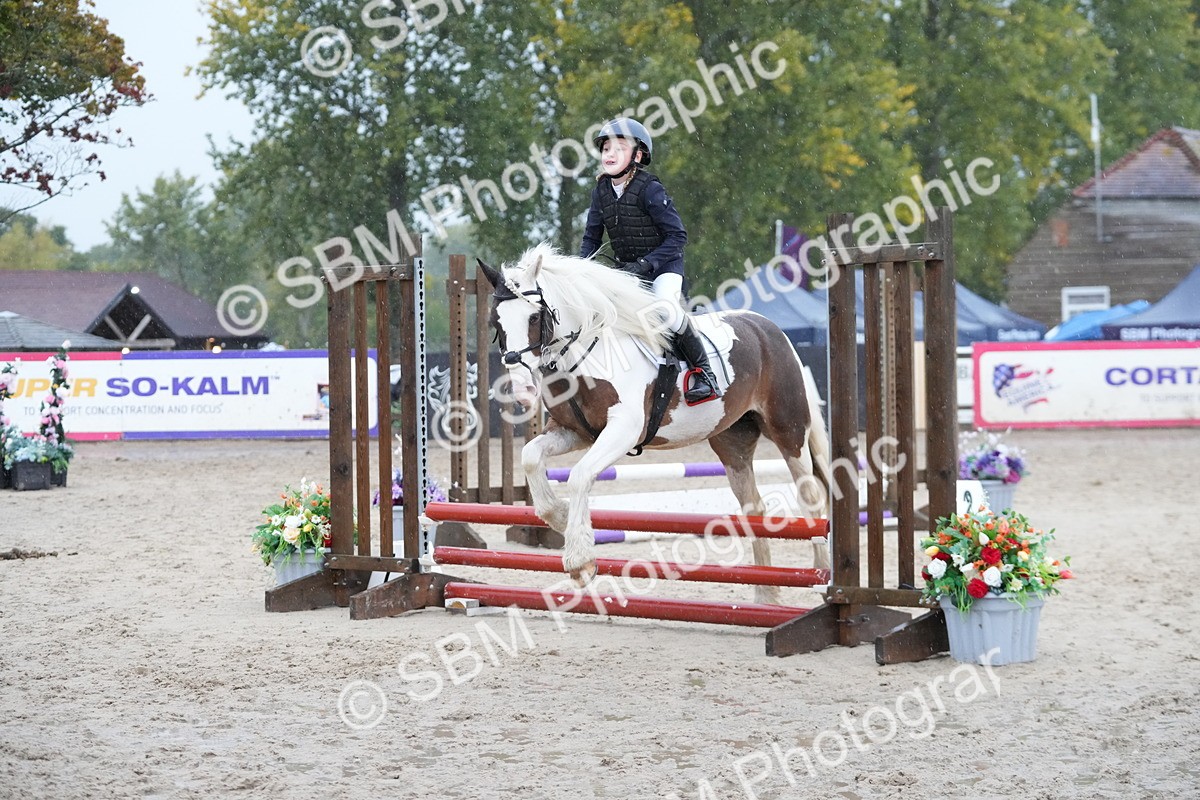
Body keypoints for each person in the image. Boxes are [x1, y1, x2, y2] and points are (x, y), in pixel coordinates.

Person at [579, 117, 720, 404]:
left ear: (638, 155)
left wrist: (646, 264)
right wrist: (580, 272)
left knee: (666, 311)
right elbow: (591, 238)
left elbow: (678, 237)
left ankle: (704, 374)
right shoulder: (601, 192)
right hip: (626, 272)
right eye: (606, 148)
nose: (610, 154)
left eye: (619, 147)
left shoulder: (650, 189)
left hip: (664, 268)